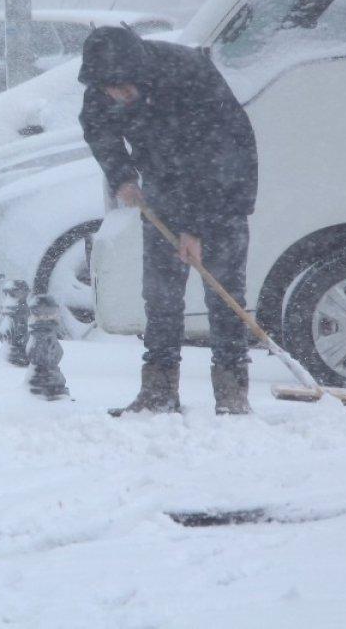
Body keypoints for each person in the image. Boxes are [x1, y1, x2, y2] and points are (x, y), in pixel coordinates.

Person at [77, 25, 258, 416]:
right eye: (111, 89)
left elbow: (212, 153)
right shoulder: (103, 82)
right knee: (160, 297)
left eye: (125, 87)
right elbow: (99, 129)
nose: (119, 96)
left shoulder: (186, 74)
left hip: (223, 186)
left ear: (139, 71)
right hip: (164, 189)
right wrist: (122, 175)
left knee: (223, 294)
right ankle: (158, 391)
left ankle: (232, 392)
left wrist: (194, 229)